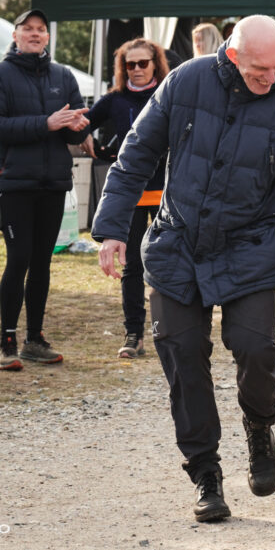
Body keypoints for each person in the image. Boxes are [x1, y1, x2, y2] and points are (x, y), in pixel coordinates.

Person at [92, 15, 275, 522]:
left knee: (255, 348)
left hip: (252, 246)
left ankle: (259, 426)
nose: (271, 78)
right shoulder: (186, 81)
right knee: (183, 357)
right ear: (230, 54)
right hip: (177, 244)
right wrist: (112, 226)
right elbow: (136, 153)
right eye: (258, 71)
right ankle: (206, 472)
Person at [0, 8, 90, 371]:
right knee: (19, 259)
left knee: (42, 261)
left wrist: (79, 126)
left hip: (53, 182)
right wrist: (47, 123)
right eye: (28, 29)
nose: (35, 34)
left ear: (48, 37)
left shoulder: (63, 75)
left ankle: (35, 340)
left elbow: (72, 130)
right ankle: (6, 342)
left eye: (41, 29)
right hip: (14, 183)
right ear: (15, 35)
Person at [80, 38, 170, 358]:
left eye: (143, 63)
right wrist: (88, 139)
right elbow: (81, 124)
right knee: (131, 267)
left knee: (168, 262)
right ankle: (134, 334)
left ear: (155, 64)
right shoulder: (115, 99)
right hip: (130, 195)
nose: (136, 70)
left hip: (166, 194)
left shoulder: (169, 93)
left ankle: (171, 331)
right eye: (129, 64)